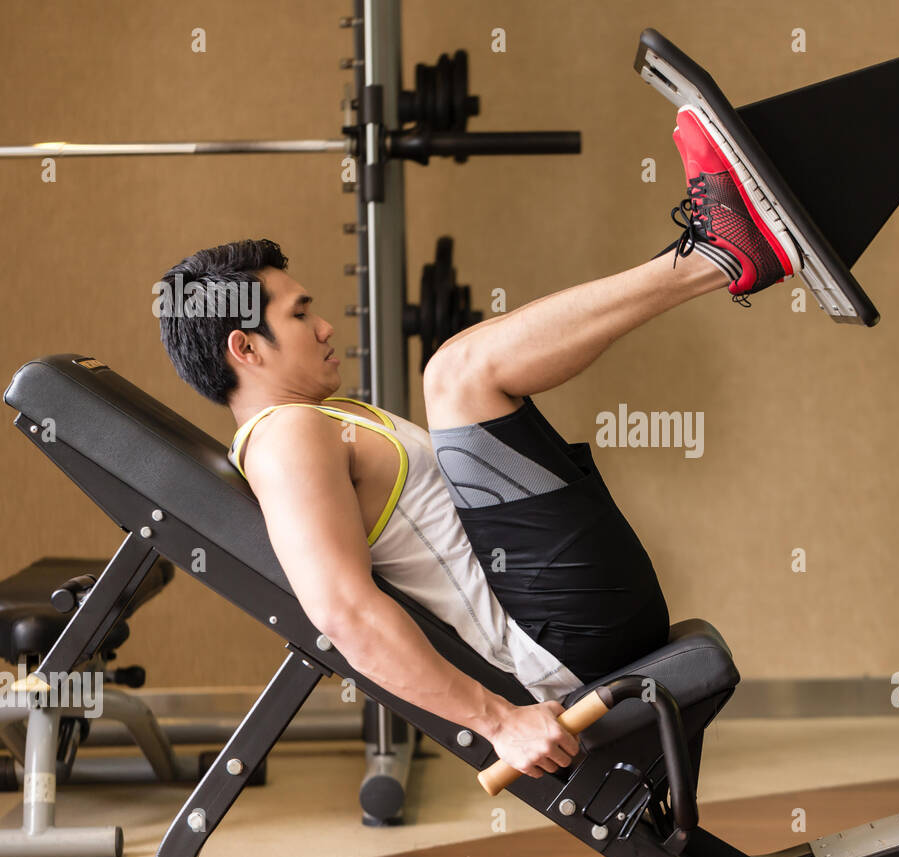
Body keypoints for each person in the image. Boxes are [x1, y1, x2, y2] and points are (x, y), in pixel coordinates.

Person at [156, 106, 801, 779]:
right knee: (457, 375)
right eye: (299, 315)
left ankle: (720, 253)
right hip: (553, 646)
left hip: (573, 613)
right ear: (245, 348)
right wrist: (498, 722)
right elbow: (342, 612)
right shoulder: (285, 440)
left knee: (459, 362)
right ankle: (719, 254)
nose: (323, 328)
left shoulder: (323, 418)